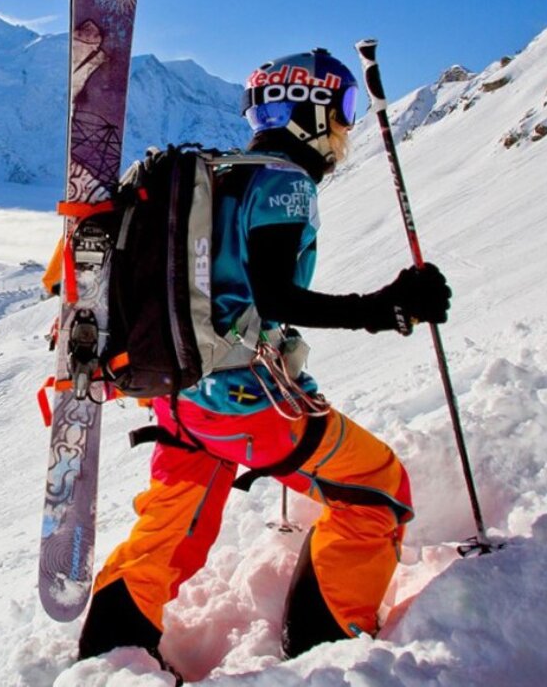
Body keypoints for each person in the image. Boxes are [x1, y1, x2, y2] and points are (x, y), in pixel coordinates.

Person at [76, 48, 453, 668]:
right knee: (376, 489)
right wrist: (384, 308)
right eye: (344, 106)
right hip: (244, 405)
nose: (348, 125)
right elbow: (277, 297)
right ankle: (326, 649)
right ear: (313, 111)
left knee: (175, 526)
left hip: (179, 395)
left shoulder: (219, 173)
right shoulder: (285, 182)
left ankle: (110, 654)